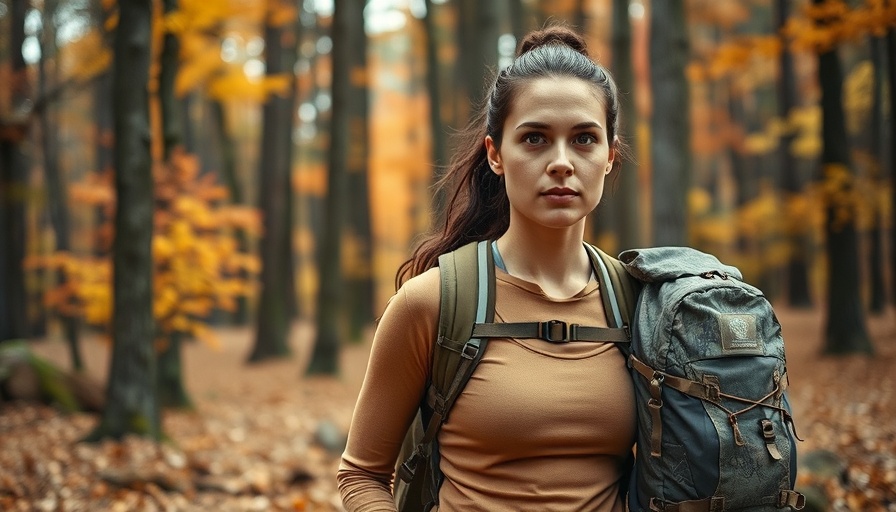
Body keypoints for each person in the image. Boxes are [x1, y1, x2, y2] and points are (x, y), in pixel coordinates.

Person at [337, 25, 634, 511]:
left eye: (584, 139)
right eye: (535, 138)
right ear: (496, 154)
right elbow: (362, 475)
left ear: (608, 156)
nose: (561, 162)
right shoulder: (431, 303)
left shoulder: (639, 303)